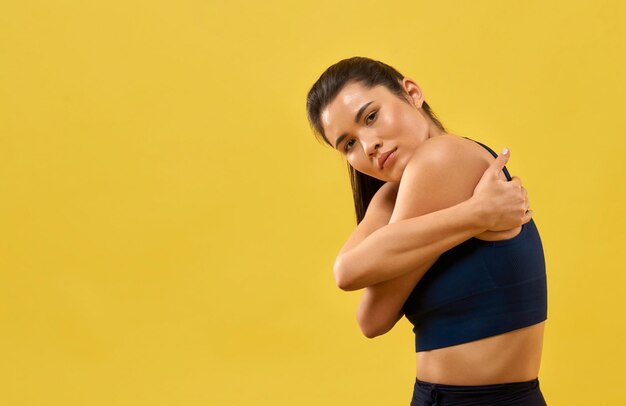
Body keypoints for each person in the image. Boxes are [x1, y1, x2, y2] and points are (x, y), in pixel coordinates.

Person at [306, 57, 548, 405]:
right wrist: (475, 214)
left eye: (371, 117)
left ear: (412, 92)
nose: (368, 145)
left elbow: (368, 307)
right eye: (349, 145)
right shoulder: (391, 194)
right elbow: (352, 283)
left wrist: (471, 216)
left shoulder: (443, 158)